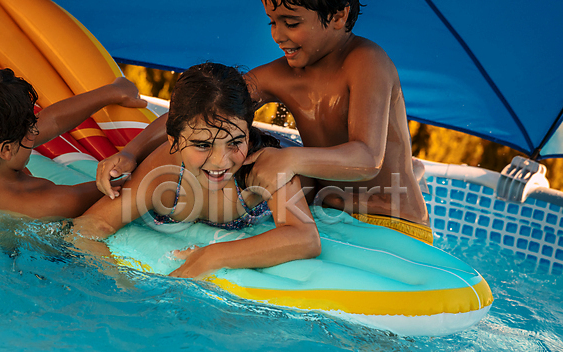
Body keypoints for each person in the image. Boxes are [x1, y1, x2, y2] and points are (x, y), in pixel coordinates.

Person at [95, 0, 432, 245]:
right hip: (325, 215)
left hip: (390, 221)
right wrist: (132, 151)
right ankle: (414, 170)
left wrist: (290, 158)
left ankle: (414, 173)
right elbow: (201, 112)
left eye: (291, 21)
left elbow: (367, 159)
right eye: (272, 22)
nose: (277, 35)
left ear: (339, 14)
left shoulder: (367, 63)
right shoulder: (282, 74)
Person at [74, 62, 320, 279]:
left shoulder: (261, 164)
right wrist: (121, 283)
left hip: (302, 164)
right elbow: (92, 224)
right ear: (173, 143)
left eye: (235, 142)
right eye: (203, 145)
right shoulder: (167, 168)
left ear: (247, 131)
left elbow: (305, 238)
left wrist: (212, 256)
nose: (220, 161)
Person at [0, 67, 147, 218]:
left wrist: (113, 92)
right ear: (7, 149)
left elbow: (52, 121)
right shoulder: (46, 203)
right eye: (32, 127)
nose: (37, 129)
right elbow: (128, 187)